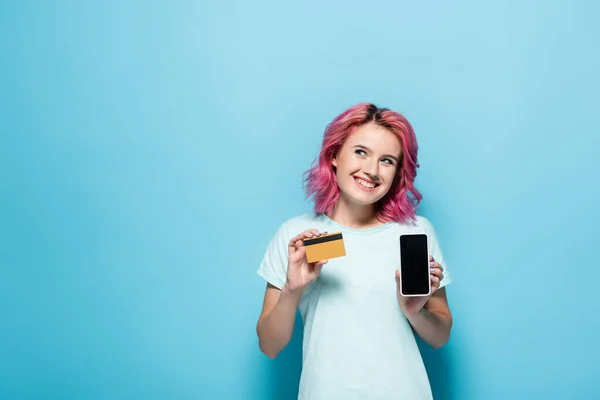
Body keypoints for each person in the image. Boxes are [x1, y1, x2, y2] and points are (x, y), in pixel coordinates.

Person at [255, 102, 453, 399]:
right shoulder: (297, 236)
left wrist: (414, 313)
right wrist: (293, 289)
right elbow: (269, 346)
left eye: (387, 160)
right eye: (361, 152)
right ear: (334, 155)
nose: (371, 171)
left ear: (398, 171)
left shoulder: (414, 232)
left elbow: (441, 336)